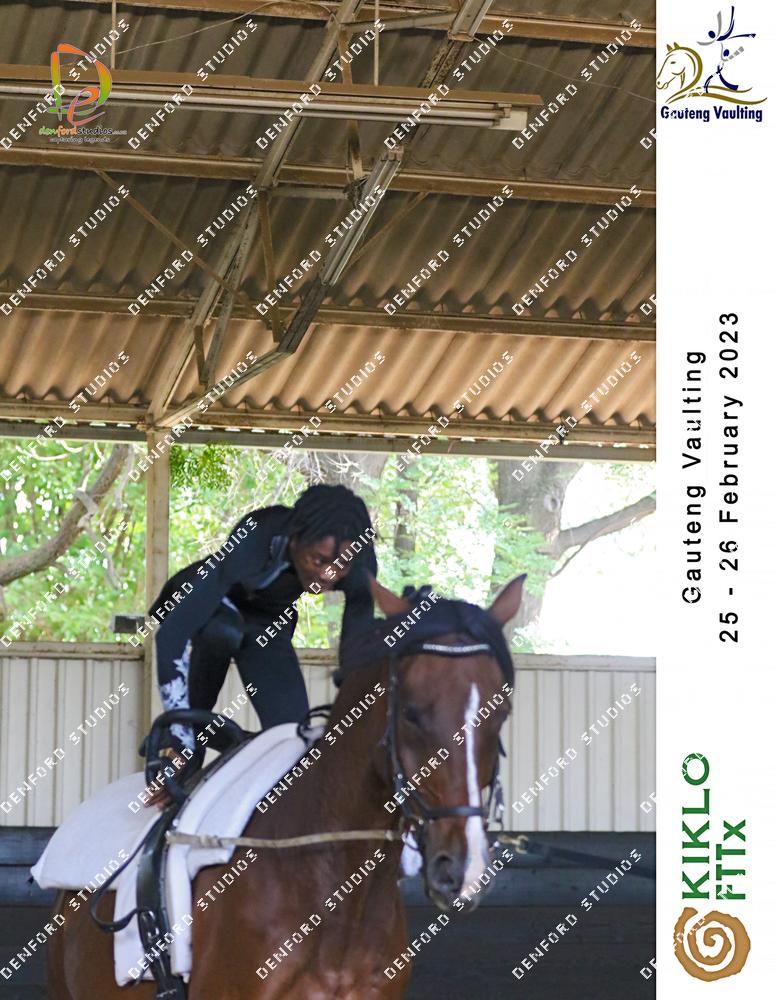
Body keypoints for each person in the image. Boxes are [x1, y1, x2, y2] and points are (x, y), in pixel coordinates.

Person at [148, 484, 377, 759]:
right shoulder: (258, 535)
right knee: (223, 631)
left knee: (293, 738)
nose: (329, 575)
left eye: (340, 566)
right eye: (318, 560)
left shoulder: (358, 564)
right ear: (294, 539)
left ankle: (221, 738)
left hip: (266, 619)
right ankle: (187, 741)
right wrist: (180, 734)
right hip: (215, 601)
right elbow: (170, 636)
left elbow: (355, 662)